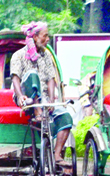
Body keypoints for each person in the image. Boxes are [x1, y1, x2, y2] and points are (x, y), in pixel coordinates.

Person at [10, 21, 73, 167]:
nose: (47, 39)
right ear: (35, 37)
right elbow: (15, 78)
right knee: (32, 74)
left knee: (66, 117)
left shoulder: (46, 56)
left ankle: (56, 155)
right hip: (26, 97)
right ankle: (38, 112)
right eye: (45, 36)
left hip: (44, 99)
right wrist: (20, 96)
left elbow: (51, 79)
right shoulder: (18, 56)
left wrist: (51, 100)